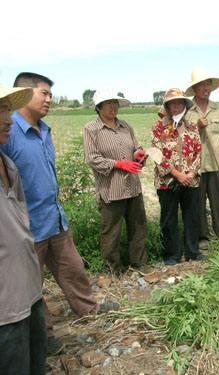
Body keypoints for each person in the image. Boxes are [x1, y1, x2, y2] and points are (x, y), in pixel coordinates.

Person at [0, 73, 118, 357]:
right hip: (27, 227)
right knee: (31, 286)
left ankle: (88, 308)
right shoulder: (10, 132)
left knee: (73, 267)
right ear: (26, 94)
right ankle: (45, 334)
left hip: (54, 218)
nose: (49, 99)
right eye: (44, 93)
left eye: (51, 94)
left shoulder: (44, 130)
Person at [0, 85, 47, 374]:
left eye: (6, 109)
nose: (7, 119)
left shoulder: (8, 166)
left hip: (30, 295)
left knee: (35, 363)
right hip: (5, 310)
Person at [83, 90, 148, 274]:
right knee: (111, 231)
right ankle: (113, 270)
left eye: (115, 102)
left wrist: (138, 154)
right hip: (111, 188)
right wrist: (119, 164)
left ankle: (139, 265)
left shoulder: (125, 126)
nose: (113, 106)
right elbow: (92, 158)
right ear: (99, 107)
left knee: (138, 227)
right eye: (108, 103)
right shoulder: (91, 129)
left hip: (133, 186)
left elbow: (136, 147)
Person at [151, 88, 206, 265]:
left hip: (191, 181)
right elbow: (157, 155)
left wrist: (190, 173)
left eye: (180, 103)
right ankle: (172, 255)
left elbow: (199, 152)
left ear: (185, 106)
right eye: (172, 104)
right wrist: (177, 174)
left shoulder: (191, 126)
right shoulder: (159, 127)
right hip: (168, 182)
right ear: (167, 107)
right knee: (169, 219)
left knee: (192, 217)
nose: (176, 107)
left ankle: (192, 252)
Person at [185, 68, 219, 250]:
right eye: (202, 85)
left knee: (218, 201)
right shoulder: (187, 110)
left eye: (208, 84)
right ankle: (202, 237)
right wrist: (196, 126)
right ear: (195, 88)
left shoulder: (218, 109)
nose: (206, 88)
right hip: (194, 166)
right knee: (197, 203)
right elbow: (181, 137)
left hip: (215, 165)